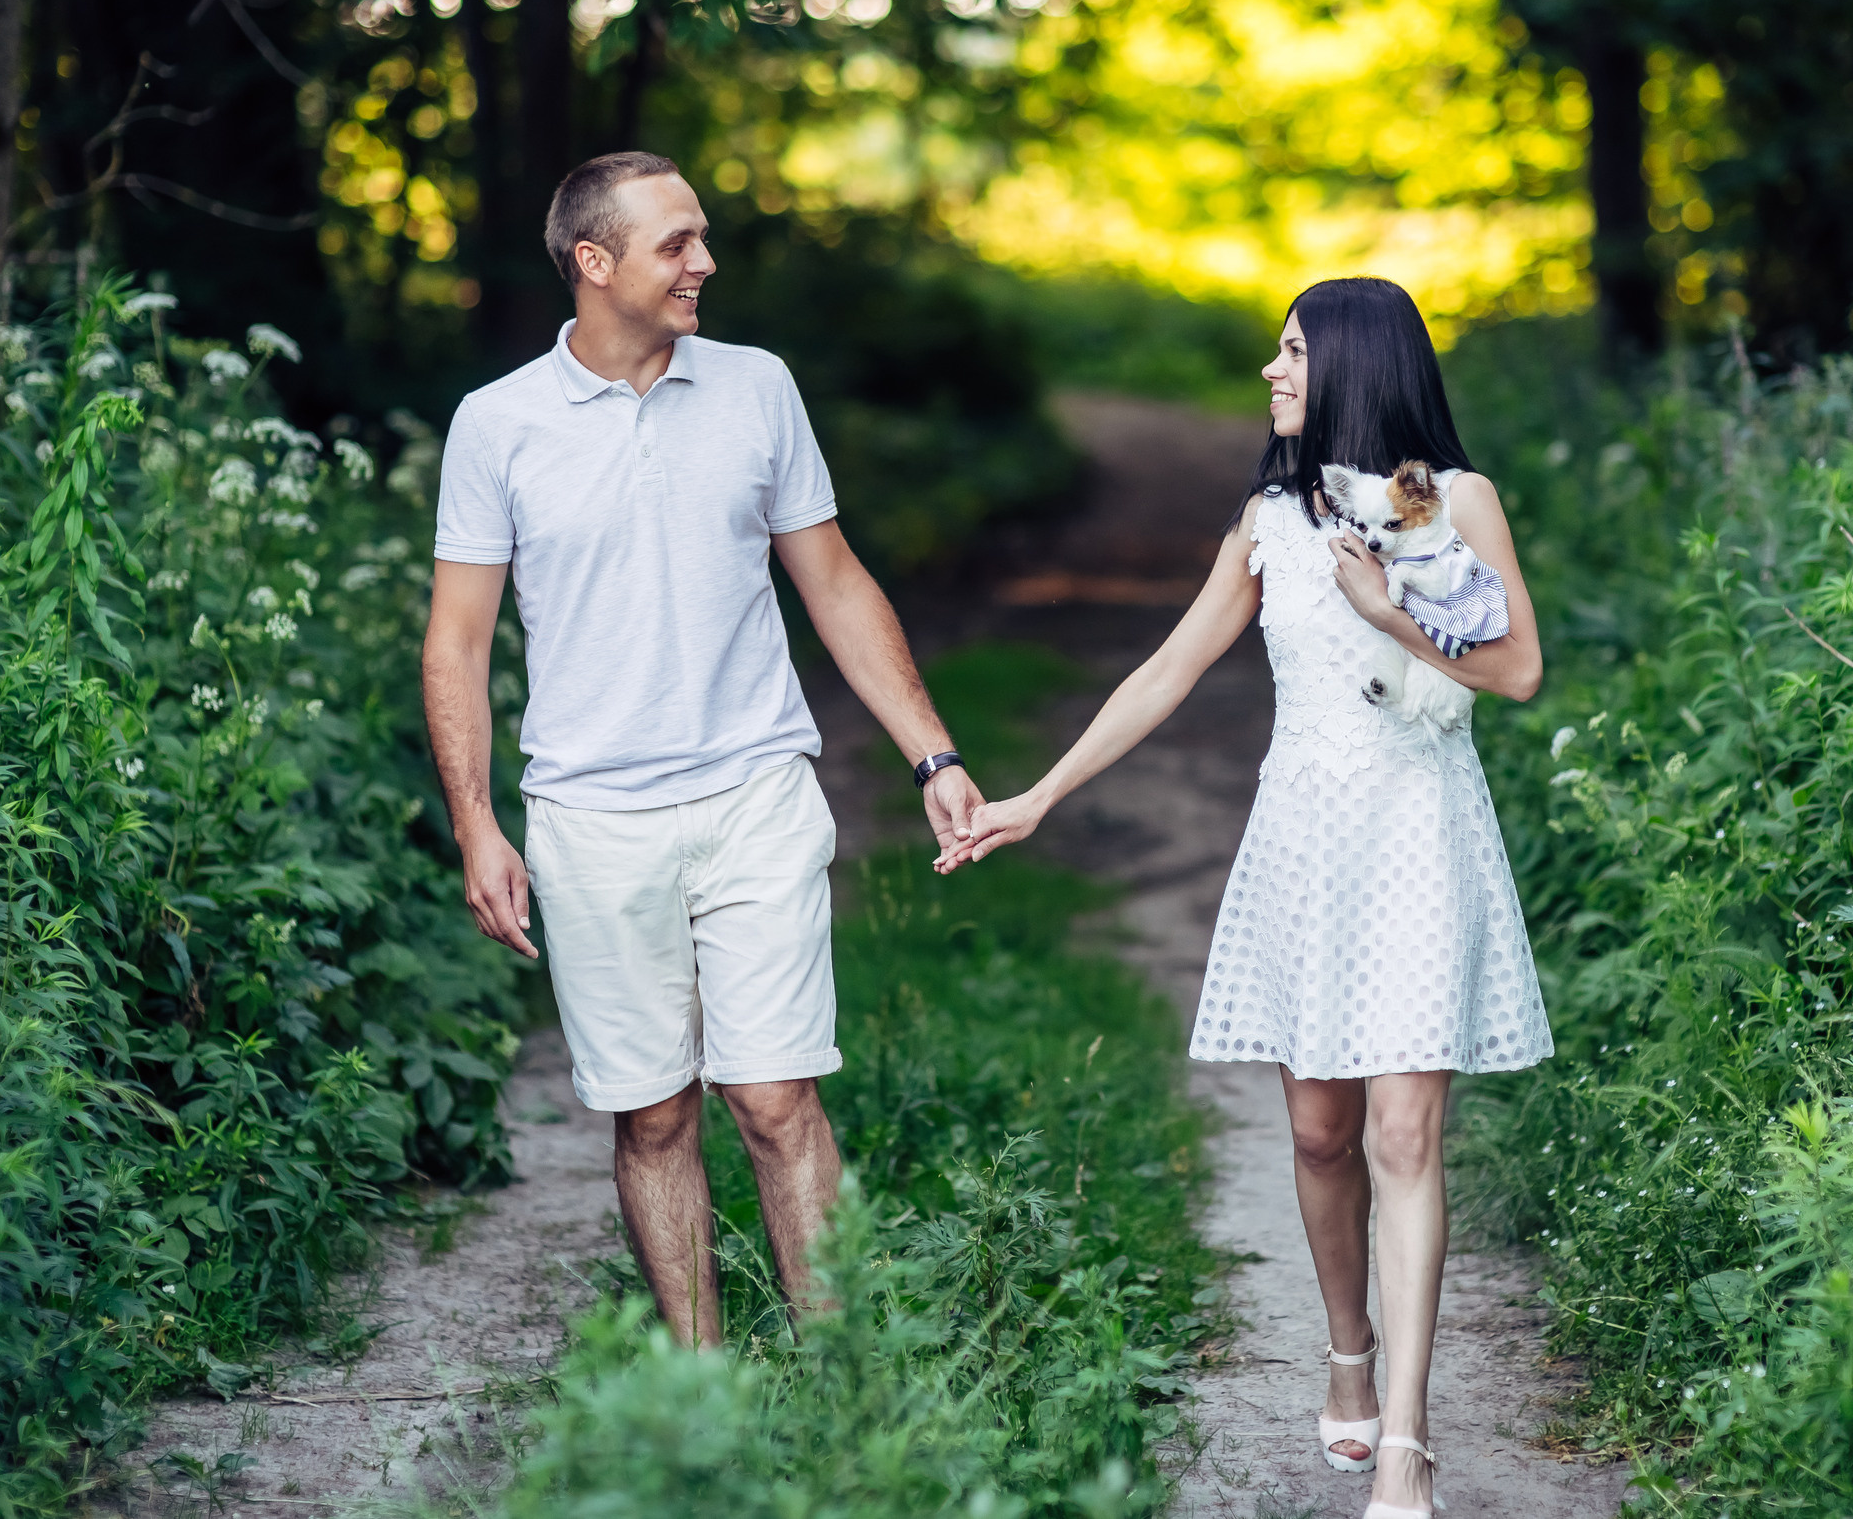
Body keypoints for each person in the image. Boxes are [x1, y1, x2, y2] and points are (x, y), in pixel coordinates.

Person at [940, 276, 1553, 1519]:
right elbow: (1168, 667)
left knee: (1402, 1135)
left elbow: (1521, 670)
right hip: (1304, 835)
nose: (1270, 374)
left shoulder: (1456, 498)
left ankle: (1408, 1446)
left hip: (1419, 831)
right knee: (1321, 1131)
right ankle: (1347, 1350)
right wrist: (1037, 795)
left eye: (1289, 353)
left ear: (1356, 362)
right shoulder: (1268, 519)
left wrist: (1391, 611)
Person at [421, 150, 987, 1345]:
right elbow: (457, 639)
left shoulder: (757, 387)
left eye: (702, 237)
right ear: (594, 262)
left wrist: (932, 756)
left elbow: (831, 580)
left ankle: (842, 1382)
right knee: (653, 1117)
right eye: (677, 242)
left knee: (777, 1097)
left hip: (753, 788)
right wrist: (477, 821)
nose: (704, 263)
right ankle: (702, 1387)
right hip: (591, 815)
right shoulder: (497, 423)